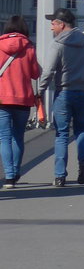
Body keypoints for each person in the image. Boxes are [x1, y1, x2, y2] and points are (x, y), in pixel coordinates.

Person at [38, 7, 84, 187]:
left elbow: (48, 71)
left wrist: (40, 90)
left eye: (53, 24)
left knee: (61, 134)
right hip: (83, 92)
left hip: (64, 92)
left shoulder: (58, 44)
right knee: (82, 130)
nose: (51, 28)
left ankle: (60, 175)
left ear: (61, 24)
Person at [0, 15, 42, 189]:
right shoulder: (29, 47)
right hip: (24, 99)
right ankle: (16, 172)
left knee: (4, 137)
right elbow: (35, 74)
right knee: (18, 136)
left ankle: (8, 175)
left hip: (2, 98)